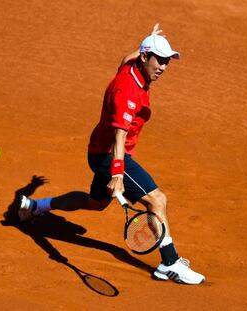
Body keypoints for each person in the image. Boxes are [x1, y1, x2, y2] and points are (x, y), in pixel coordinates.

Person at [18, 24, 205, 285]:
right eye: (159, 60)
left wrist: (147, 42)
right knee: (157, 200)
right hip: (110, 155)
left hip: (99, 151)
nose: (163, 67)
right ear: (145, 58)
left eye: (166, 62)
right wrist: (117, 173)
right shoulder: (126, 92)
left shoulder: (132, 68)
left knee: (95, 203)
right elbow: (119, 136)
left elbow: (125, 59)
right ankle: (169, 263)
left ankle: (35, 206)